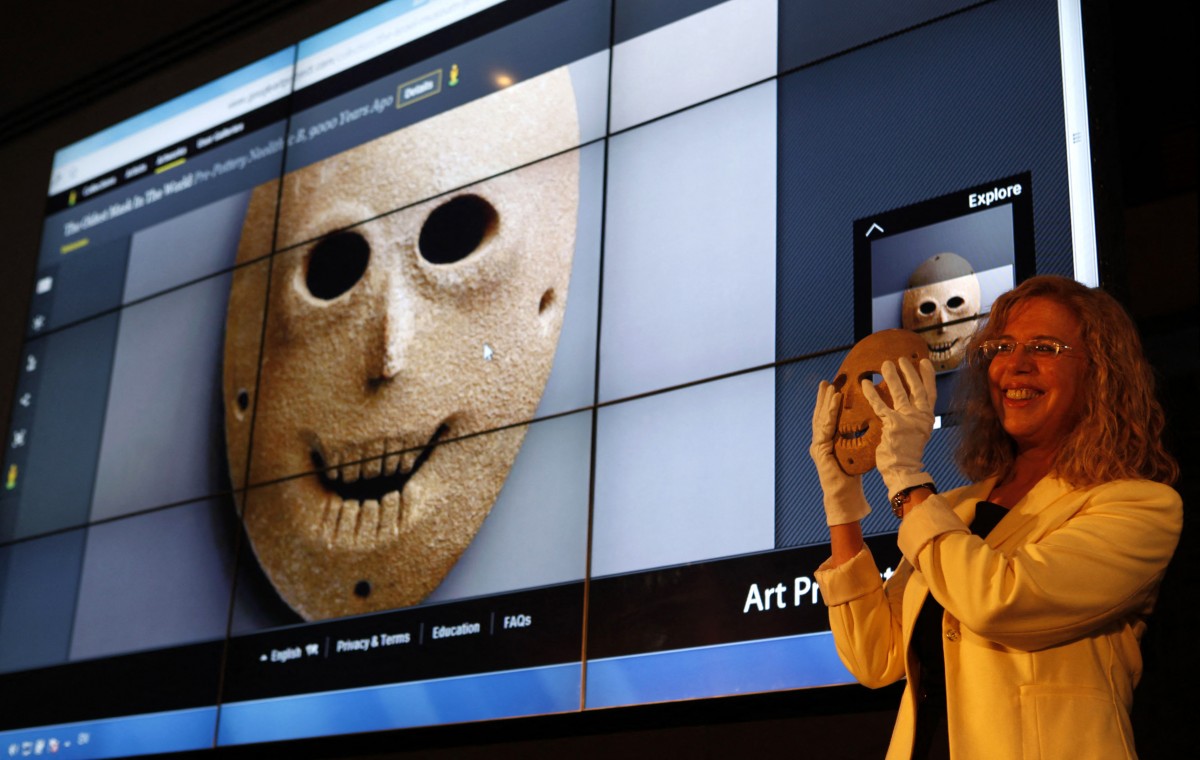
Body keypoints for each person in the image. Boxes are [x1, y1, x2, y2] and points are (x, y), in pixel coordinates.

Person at [810, 275, 1182, 759]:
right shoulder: (959, 509)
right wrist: (841, 502)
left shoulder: (1138, 507)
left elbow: (1000, 600)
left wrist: (904, 477)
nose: (1016, 366)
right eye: (1002, 347)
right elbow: (873, 657)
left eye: (1045, 348)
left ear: (1100, 372)